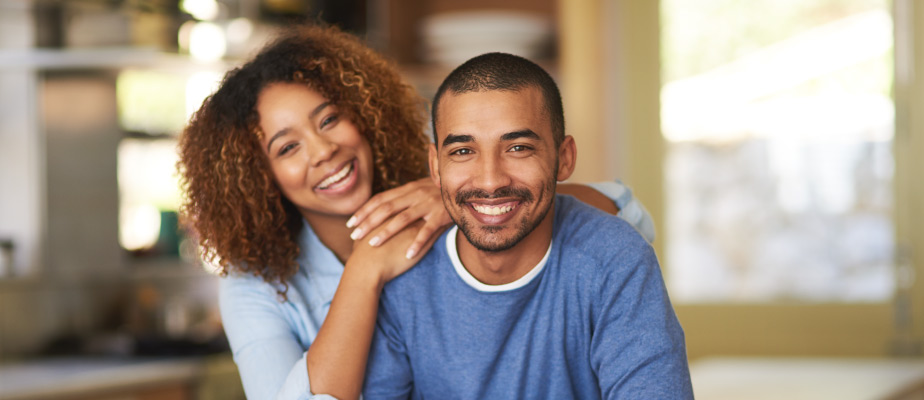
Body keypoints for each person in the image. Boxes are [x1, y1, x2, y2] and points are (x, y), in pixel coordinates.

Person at [178, 25, 654, 400]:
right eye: (288, 148)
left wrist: (460, 200)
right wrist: (365, 269)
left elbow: (627, 212)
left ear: (363, 116)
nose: (323, 150)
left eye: (329, 119)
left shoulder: (445, 193)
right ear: (260, 177)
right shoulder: (255, 285)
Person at [362, 52, 693, 399]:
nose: (490, 181)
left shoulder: (616, 260)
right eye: (462, 151)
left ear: (564, 159)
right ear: (435, 166)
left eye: (518, 148)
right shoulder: (405, 273)